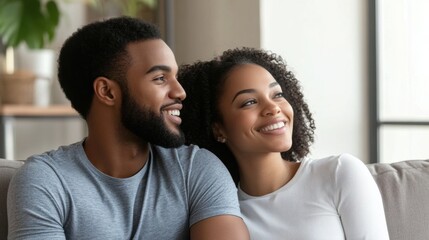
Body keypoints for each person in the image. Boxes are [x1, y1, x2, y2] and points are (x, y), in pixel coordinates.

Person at [7, 17, 249, 239]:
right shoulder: (45, 181)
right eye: (160, 78)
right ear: (107, 92)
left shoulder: (197, 169)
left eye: (175, 77)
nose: (180, 92)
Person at [178, 47, 390, 239]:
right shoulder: (223, 214)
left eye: (277, 94)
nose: (273, 108)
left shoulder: (339, 173)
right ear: (218, 128)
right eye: (249, 102)